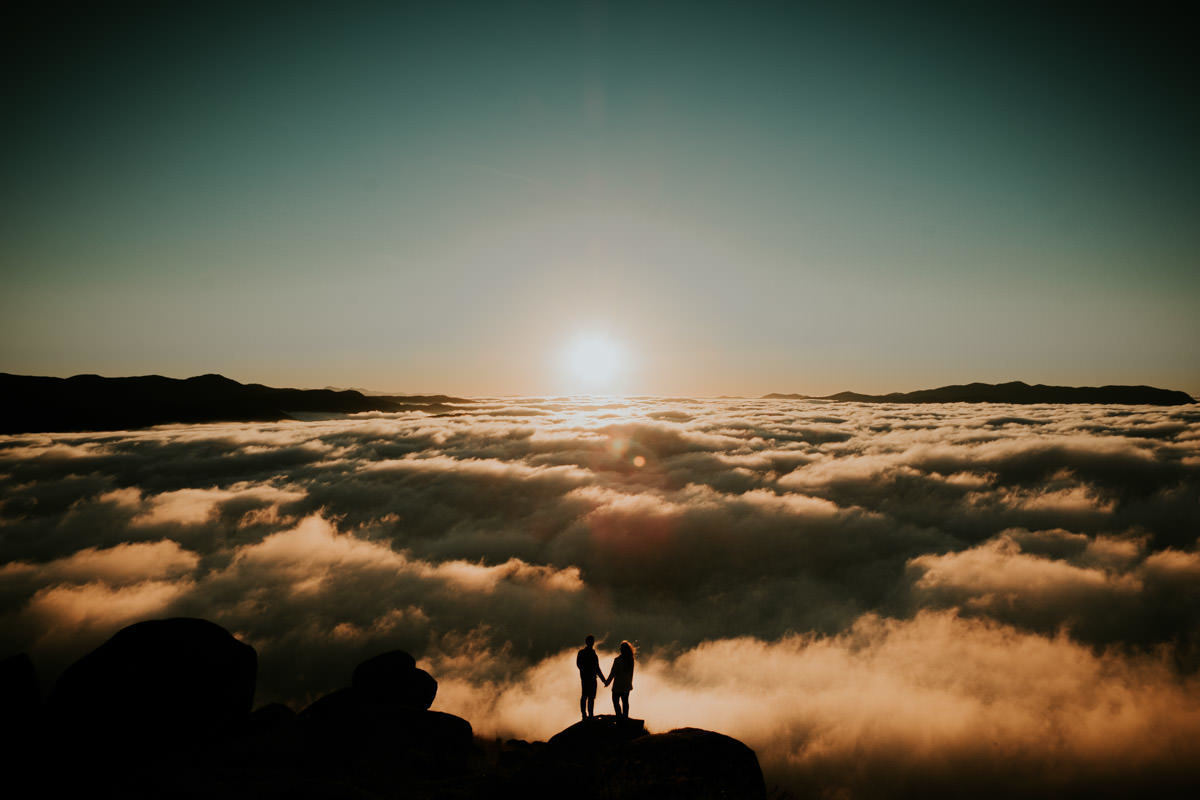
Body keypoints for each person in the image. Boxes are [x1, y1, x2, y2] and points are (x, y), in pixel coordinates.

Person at [576, 635, 606, 720]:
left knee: (590, 697)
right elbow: (579, 664)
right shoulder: (584, 653)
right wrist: (604, 680)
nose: (591, 643)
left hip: (591, 678)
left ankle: (589, 715)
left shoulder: (591, 654)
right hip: (587, 678)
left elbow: (597, 668)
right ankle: (585, 715)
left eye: (592, 641)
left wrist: (604, 680)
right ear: (587, 642)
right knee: (586, 697)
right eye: (590, 641)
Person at [609, 640, 635, 718]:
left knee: (616, 702)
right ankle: (625, 717)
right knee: (625, 703)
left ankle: (619, 716)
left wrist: (607, 682)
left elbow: (612, 673)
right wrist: (630, 684)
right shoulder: (631, 660)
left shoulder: (617, 660)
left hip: (617, 685)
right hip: (626, 685)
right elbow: (631, 674)